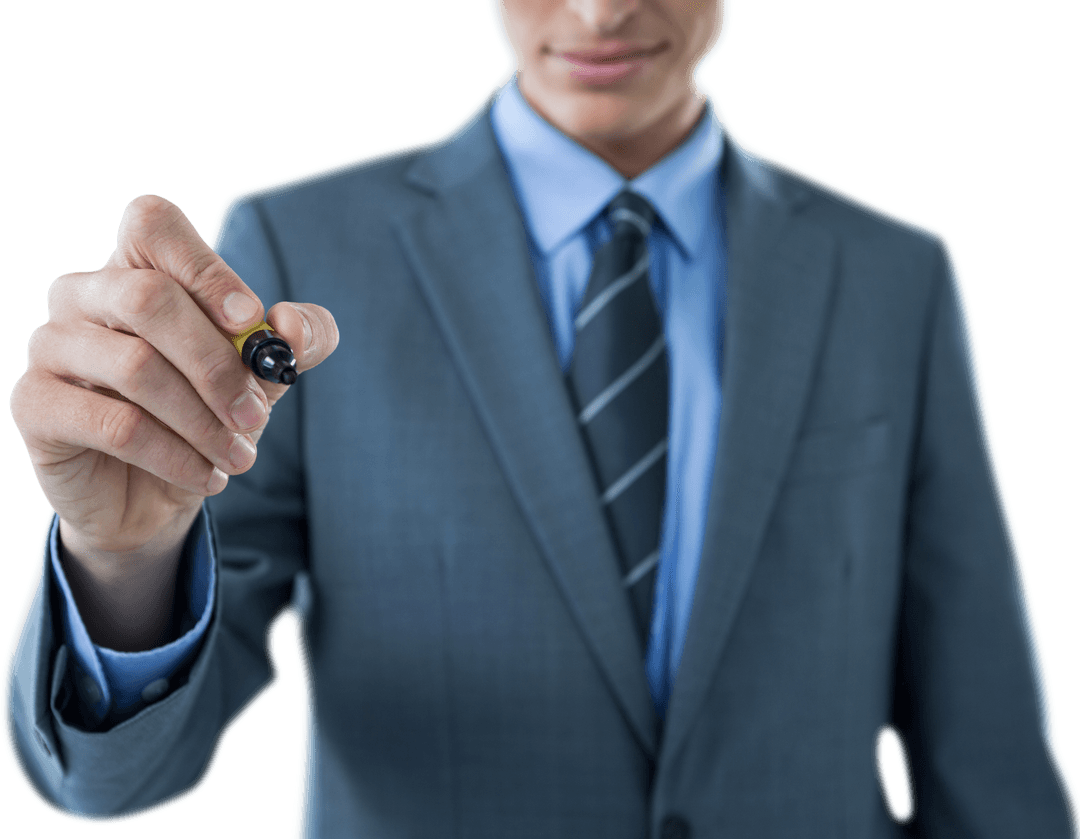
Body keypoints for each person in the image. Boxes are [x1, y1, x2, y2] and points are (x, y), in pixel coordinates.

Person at [4, 0, 1078, 836]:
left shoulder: (894, 275)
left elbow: (990, 759)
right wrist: (126, 558)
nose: (603, 11)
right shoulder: (300, 247)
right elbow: (124, 775)